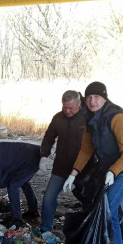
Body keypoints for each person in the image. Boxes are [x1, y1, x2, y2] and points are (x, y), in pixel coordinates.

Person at [62, 82, 123, 244]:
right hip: (108, 171)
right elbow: (86, 150)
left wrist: (114, 171)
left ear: (105, 98)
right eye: (89, 97)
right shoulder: (91, 120)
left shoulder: (117, 118)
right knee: (106, 210)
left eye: (97, 97)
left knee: (108, 212)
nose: (92, 101)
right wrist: (73, 174)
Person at [38, 90, 89, 232]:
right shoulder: (58, 118)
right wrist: (44, 156)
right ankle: (45, 229)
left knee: (88, 200)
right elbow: (49, 138)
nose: (67, 110)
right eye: (64, 107)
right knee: (48, 198)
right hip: (61, 166)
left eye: (71, 108)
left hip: (85, 168)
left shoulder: (88, 118)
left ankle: (88, 230)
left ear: (79, 104)